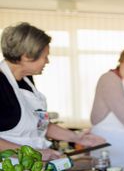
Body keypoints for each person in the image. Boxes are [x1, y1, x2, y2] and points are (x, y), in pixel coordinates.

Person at [0, 22, 104, 160]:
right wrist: (36, 154)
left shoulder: (26, 79)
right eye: (45, 56)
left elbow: (39, 125)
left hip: (32, 167)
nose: (47, 61)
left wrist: (78, 138)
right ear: (26, 56)